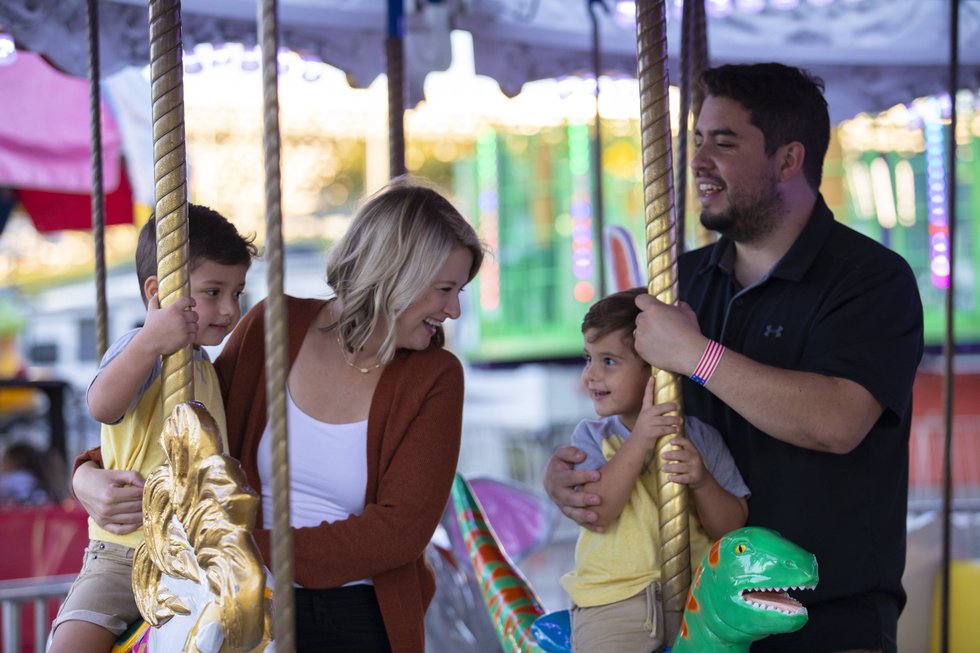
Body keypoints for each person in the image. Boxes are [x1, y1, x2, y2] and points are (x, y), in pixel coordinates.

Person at [545, 63, 923, 653]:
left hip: (822, 616)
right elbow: (631, 414)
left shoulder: (870, 281)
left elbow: (838, 421)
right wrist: (576, 473)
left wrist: (696, 354)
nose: (697, 161)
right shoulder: (680, 282)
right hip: (695, 613)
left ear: (788, 160)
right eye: (697, 140)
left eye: (723, 143)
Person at [72, 178, 485, 653]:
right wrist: (88, 475)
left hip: (341, 610)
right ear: (398, 273)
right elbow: (186, 424)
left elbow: (399, 532)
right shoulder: (275, 327)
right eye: (445, 289)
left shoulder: (435, 376)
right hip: (230, 596)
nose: (453, 310)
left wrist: (236, 551)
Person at [50, 205, 257, 653]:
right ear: (158, 292)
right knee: (72, 643)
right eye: (213, 292)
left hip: (199, 555)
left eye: (237, 292)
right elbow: (102, 405)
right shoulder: (142, 352)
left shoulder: (206, 369)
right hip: (126, 554)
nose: (229, 309)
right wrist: (150, 340)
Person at [561, 287, 749, 653]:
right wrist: (642, 438)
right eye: (589, 358)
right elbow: (599, 508)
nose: (591, 375)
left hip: (699, 602)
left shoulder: (703, 440)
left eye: (609, 361)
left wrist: (702, 482)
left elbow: (731, 529)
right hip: (615, 603)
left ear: (658, 371)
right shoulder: (590, 439)